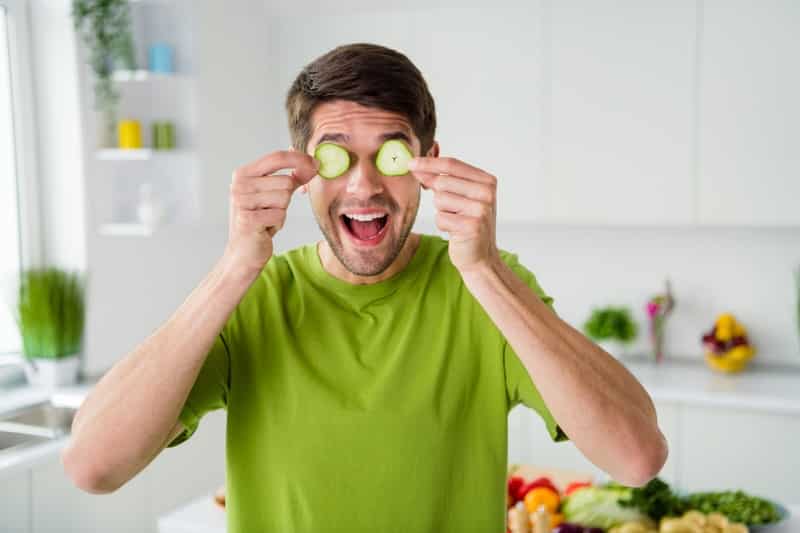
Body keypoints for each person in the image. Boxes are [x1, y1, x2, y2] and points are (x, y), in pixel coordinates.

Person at [63, 43, 667, 532]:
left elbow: (637, 457)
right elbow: (93, 466)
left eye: (392, 154)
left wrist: (483, 269)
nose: (364, 185)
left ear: (429, 165)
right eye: (335, 156)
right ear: (302, 172)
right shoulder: (254, 294)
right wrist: (233, 267)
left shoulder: (488, 284)